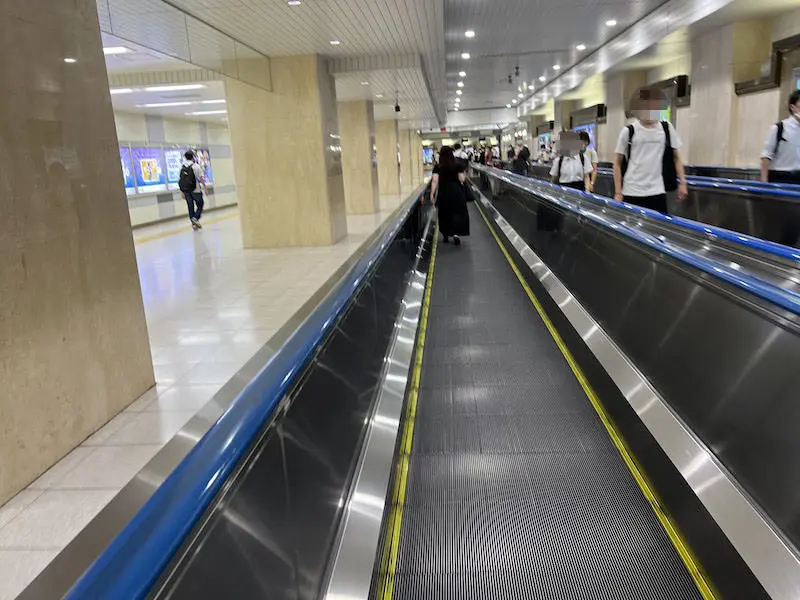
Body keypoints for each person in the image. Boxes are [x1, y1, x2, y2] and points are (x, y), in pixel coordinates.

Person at [613, 89, 687, 213]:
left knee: (657, 229)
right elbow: (617, 163)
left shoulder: (666, 128)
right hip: (632, 190)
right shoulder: (628, 131)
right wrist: (618, 192)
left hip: (657, 191)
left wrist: (683, 183)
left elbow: (676, 157)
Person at [430, 146, 470, 245]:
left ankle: (445, 234)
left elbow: (435, 181)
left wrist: (432, 193)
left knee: (444, 214)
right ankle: (455, 234)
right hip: (457, 193)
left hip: (444, 193)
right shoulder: (458, 165)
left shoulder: (438, 166)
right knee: (457, 213)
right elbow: (462, 179)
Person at [761, 89, 800, 183]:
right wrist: (764, 182)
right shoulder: (779, 128)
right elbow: (766, 156)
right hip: (780, 176)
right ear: (793, 107)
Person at [179, 150, 206, 230]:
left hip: (186, 191)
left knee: (190, 207)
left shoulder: (182, 167)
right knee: (200, 204)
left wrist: (182, 192)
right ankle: (195, 218)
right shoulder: (196, 166)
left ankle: (194, 224)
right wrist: (205, 188)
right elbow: (201, 178)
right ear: (193, 157)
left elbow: (181, 180)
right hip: (196, 190)